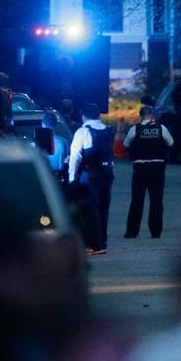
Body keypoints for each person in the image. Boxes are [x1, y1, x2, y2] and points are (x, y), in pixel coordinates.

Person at [69, 103, 115, 255]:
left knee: (90, 210)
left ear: (83, 116)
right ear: (98, 115)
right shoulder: (109, 130)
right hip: (107, 175)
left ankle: (95, 245)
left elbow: (75, 156)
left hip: (90, 175)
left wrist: (72, 177)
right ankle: (102, 241)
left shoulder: (83, 131)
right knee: (104, 208)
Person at [123, 105, 174, 239]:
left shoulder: (135, 129)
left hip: (140, 167)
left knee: (137, 201)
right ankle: (156, 232)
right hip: (157, 167)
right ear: (152, 116)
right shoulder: (161, 128)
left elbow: (126, 144)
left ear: (141, 116)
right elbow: (170, 142)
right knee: (156, 201)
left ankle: (132, 232)